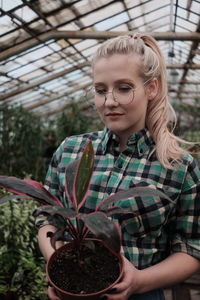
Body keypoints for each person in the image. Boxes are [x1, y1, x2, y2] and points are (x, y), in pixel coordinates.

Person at [37, 32, 200, 300]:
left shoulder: (179, 167)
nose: (109, 101)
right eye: (101, 90)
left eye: (124, 88)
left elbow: (193, 247)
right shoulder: (71, 151)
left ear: (152, 88)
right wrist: (58, 263)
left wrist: (139, 281)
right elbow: (47, 218)